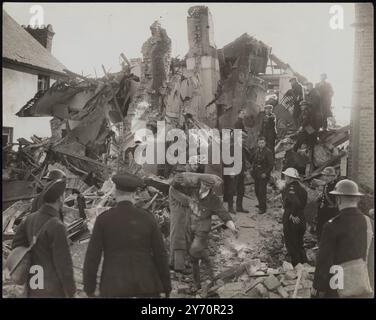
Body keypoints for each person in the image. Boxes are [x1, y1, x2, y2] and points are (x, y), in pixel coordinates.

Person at [83, 173, 171, 298]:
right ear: (135, 194)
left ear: (115, 192)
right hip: (146, 285)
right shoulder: (148, 218)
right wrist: (166, 287)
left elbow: (92, 256)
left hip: (113, 285)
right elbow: (160, 254)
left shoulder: (104, 219)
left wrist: (89, 288)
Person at [169, 172, 238, 290]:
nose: (205, 187)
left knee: (196, 252)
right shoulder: (192, 190)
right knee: (188, 250)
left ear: (211, 187)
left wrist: (233, 227)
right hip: (188, 225)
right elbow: (175, 186)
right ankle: (192, 280)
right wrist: (176, 180)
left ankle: (210, 279)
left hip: (201, 231)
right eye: (204, 184)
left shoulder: (213, 199)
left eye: (208, 186)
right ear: (200, 182)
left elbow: (223, 213)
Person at [12, 179, 76, 297]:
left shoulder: (29, 219)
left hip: (33, 284)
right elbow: (64, 265)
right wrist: (71, 291)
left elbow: (16, 245)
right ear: (60, 198)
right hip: (51, 289)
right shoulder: (57, 226)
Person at [312, 179, 374, 298]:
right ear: (357, 199)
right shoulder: (370, 223)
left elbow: (324, 262)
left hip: (338, 287)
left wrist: (318, 289)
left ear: (338, 199)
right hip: (364, 285)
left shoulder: (332, 226)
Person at [281, 168, 308, 266]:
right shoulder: (301, 187)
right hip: (301, 217)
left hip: (292, 218)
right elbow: (303, 202)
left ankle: (296, 266)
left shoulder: (290, 188)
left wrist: (293, 214)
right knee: (299, 243)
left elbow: (296, 203)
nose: (285, 178)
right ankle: (304, 264)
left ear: (290, 178)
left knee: (292, 243)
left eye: (286, 176)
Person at [224, 129, 252, 213]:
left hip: (241, 172)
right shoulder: (232, 147)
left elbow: (243, 160)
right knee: (231, 190)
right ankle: (230, 207)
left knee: (241, 190)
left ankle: (239, 207)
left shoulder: (243, 148)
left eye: (244, 139)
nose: (244, 140)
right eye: (242, 138)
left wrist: (245, 171)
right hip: (234, 171)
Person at [316, 167, 341, 241]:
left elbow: (336, 202)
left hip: (331, 213)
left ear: (333, 177)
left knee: (329, 231)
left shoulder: (336, 186)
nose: (325, 178)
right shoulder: (326, 184)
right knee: (320, 229)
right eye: (324, 175)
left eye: (328, 176)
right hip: (323, 212)